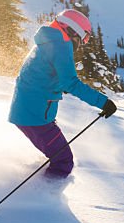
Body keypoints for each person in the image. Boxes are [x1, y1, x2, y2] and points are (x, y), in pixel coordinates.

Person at [8, 9, 117, 179]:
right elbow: (72, 83)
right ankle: (45, 197)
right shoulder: (61, 46)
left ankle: (45, 193)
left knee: (59, 155)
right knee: (64, 161)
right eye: (83, 39)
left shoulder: (47, 41)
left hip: (28, 112)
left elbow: (39, 73)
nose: (81, 44)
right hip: (36, 118)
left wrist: (57, 84)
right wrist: (103, 103)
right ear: (73, 31)